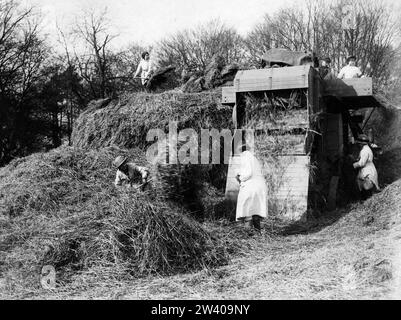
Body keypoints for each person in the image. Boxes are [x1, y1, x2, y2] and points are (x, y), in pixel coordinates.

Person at [235, 143, 268, 231]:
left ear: (241, 151)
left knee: (247, 210)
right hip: (260, 187)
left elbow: (248, 173)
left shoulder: (245, 156)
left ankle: (248, 232)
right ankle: (258, 233)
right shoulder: (254, 158)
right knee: (256, 210)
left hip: (251, 187)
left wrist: (240, 177)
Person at [352, 134, 380, 200]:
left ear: (361, 144)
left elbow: (362, 163)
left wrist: (353, 165)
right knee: (361, 183)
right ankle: (365, 199)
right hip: (368, 169)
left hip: (367, 171)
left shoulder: (364, 151)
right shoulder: (366, 149)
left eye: (359, 143)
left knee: (366, 187)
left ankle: (366, 200)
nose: (358, 145)